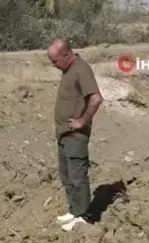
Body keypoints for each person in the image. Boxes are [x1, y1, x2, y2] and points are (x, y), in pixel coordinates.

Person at [47, 38, 103, 232]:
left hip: (75, 135)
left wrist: (82, 121)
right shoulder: (68, 70)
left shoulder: (81, 69)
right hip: (63, 133)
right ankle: (74, 209)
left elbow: (96, 99)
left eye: (55, 61)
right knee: (66, 174)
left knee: (78, 175)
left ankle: (84, 216)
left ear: (67, 54)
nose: (53, 65)